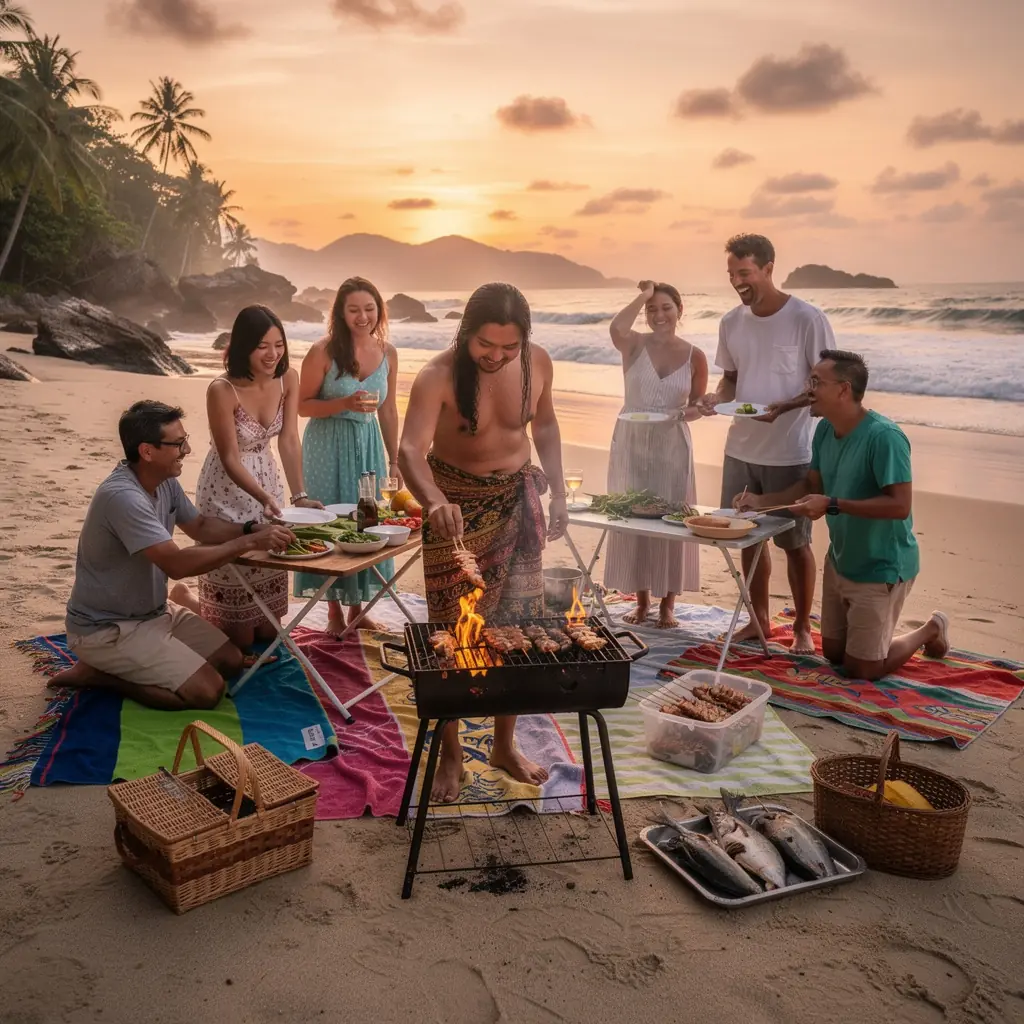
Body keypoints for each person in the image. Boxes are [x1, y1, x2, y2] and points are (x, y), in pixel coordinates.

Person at [398, 282, 568, 803]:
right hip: (455, 511)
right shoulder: (437, 375)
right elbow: (410, 449)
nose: (496, 357)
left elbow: (547, 427)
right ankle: (451, 753)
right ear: (466, 333)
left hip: (518, 503)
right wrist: (433, 502)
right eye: (485, 346)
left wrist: (559, 492)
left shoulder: (538, 363)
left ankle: (503, 745)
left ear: (525, 340)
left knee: (514, 626)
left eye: (508, 347)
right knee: (453, 633)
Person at [52, 401, 294, 710]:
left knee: (231, 660)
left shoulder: (164, 481)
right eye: (178, 443)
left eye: (186, 439)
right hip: (108, 628)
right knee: (207, 692)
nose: (188, 449)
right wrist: (248, 543)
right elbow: (176, 565)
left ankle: (134, 657)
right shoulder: (123, 498)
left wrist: (251, 528)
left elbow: (201, 526)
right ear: (147, 451)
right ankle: (99, 675)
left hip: (154, 613)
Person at [736, 350, 950, 680]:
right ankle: (872, 636)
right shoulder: (824, 431)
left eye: (816, 382)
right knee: (833, 654)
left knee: (861, 669)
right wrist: (760, 501)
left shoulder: (884, 438)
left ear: (843, 389)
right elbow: (810, 485)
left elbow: (899, 506)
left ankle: (930, 629)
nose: (808, 389)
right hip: (841, 560)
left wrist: (832, 504)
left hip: (882, 567)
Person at [697, 233, 835, 654]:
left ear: (769, 269)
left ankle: (800, 629)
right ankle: (758, 621)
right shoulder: (730, 322)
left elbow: (824, 383)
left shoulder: (806, 318)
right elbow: (732, 379)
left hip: (790, 450)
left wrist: (785, 405)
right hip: (740, 447)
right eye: (732, 274)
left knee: (796, 543)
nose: (738, 282)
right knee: (746, 537)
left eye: (745, 273)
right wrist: (714, 399)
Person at [175, 305, 321, 651]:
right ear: (243, 347)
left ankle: (231, 615)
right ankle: (185, 599)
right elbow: (228, 457)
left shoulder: (289, 378)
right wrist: (263, 497)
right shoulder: (221, 389)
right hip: (228, 488)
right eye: (262, 346)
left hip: (267, 478)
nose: (273, 354)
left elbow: (288, 439)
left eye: (279, 344)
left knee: (267, 632)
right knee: (237, 638)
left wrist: (298, 495)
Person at [296, 277, 400, 634]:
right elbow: (301, 406)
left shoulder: (388, 352)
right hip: (328, 443)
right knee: (330, 523)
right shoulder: (322, 351)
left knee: (365, 523)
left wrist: (395, 458)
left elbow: (388, 410)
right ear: (341, 312)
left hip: (368, 442)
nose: (362, 316)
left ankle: (358, 609)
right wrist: (343, 403)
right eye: (354, 309)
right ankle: (333, 612)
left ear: (379, 311)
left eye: (369, 309)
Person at [604, 280, 708, 628]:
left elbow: (696, 407)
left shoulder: (696, 356)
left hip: (672, 444)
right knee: (633, 518)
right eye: (652, 309)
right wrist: (643, 295)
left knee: (672, 517)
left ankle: (668, 605)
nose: (658, 315)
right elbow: (617, 326)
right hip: (631, 440)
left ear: (680, 310)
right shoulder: (633, 344)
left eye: (666, 307)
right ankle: (643, 600)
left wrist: (685, 413)